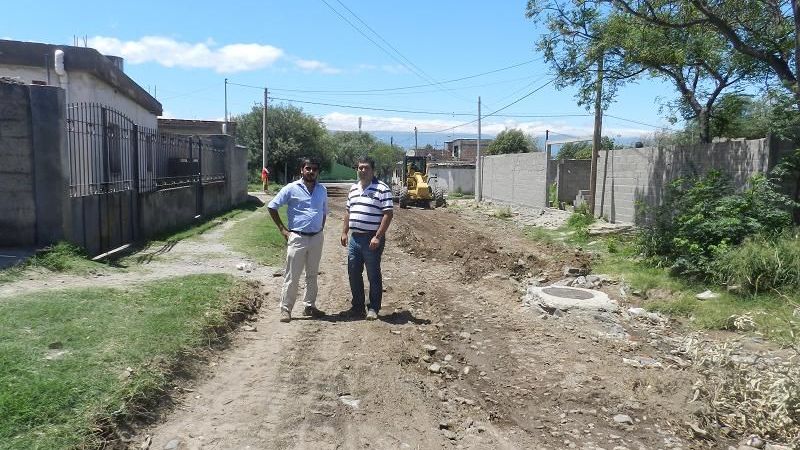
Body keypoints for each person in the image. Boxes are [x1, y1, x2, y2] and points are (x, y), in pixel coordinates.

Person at [267, 158, 328, 323]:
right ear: (302, 170)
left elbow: (324, 212)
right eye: (308, 168)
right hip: (297, 237)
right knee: (292, 275)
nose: (311, 172)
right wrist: (283, 230)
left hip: (316, 237)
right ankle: (285, 309)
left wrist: (319, 228)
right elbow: (272, 206)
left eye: (314, 169)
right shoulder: (291, 188)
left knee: (312, 274)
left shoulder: (322, 190)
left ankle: (310, 306)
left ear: (317, 172)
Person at [340, 156, 393, 320]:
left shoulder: (382, 189)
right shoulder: (353, 188)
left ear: (373, 170)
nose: (362, 170)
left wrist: (378, 236)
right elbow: (348, 212)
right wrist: (344, 232)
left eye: (366, 168)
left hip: (372, 239)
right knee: (353, 273)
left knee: (373, 274)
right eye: (360, 167)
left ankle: (373, 308)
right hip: (355, 239)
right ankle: (357, 307)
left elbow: (388, 214)